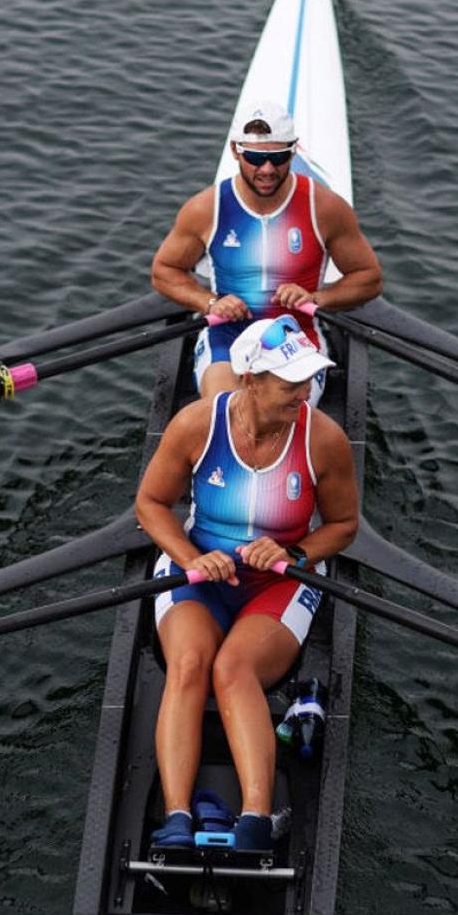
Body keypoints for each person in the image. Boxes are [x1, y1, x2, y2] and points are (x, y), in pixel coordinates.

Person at [135, 315, 359, 850]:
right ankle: (176, 817)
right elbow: (151, 504)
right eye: (290, 383)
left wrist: (294, 552)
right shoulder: (196, 425)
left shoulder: (324, 440)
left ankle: (255, 819)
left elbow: (344, 526)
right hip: (201, 574)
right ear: (251, 380)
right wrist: (191, 557)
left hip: (280, 581)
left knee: (233, 669)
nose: (304, 393)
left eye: (308, 380)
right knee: (189, 664)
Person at [151, 99, 382, 402]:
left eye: (279, 157)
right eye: (256, 158)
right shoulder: (206, 208)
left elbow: (369, 278)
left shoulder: (325, 207)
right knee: (228, 410)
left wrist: (316, 298)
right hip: (227, 334)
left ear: (294, 151)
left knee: (275, 413)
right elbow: (164, 271)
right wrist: (208, 302)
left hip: (295, 336)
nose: (268, 169)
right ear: (235, 151)